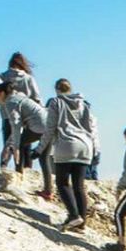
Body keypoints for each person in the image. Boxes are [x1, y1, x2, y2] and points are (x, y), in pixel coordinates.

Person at [41, 78, 99, 232]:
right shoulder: (83, 104)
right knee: (79, 186)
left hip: (67, 145)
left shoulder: (56, 102)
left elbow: (50, 128)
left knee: (62, 183)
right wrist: (96, 149)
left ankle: (73, 215)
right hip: (85, 146)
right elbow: (91, 128)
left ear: (56, 89)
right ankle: (81, 223)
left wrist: (40, 148)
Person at [0, 85, 53, 200]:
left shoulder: (10, 102)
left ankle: (18, 177)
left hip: (39, 127)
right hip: (50, 125)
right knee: (44, 158)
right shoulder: (20, 97)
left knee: (19, 145)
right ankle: (48, 191)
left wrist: (16, 146)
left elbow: (16, 125)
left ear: (2, 93)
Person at [0, 52, 41, 163]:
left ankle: (4, 165)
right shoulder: (28, 78)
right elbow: (37, 98)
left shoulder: (2, 76)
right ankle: (24, 168)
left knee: (8, 144)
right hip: (26, 116)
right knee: (25, 145)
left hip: (7, 114)